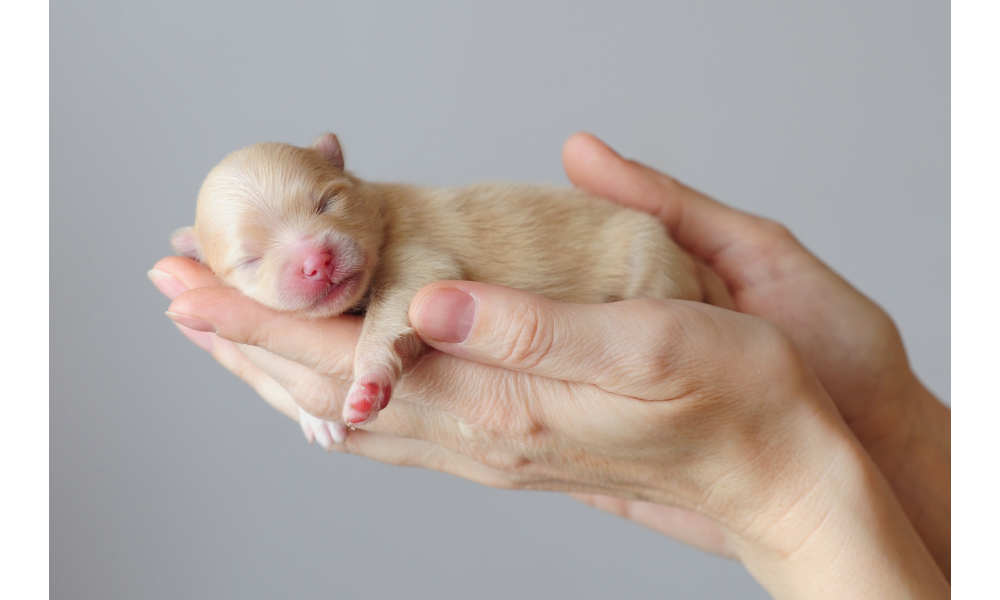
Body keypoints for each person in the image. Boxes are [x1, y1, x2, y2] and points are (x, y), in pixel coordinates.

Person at [149, 133, 950, 598]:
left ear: (347, 174)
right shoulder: (329, 259)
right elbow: (318, 350)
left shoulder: (405, 227)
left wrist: (783, 492)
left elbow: (411, 305)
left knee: (647, 269)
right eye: (255, 261)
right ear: (218, 276)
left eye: (324, 205)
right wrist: (893, 433)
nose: (313, 258)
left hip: (627, 259)